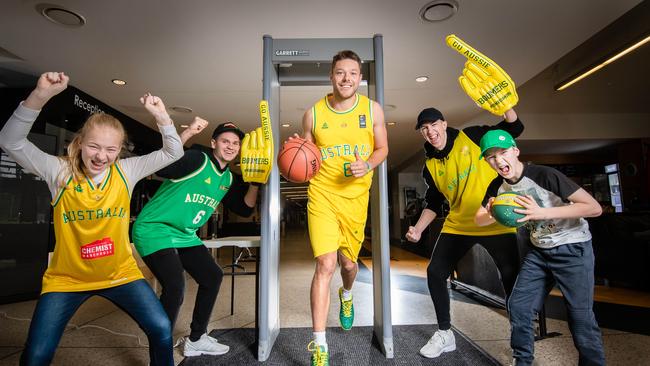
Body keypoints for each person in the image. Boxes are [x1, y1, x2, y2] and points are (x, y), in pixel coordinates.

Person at [0, 72, 184, 366]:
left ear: (119, 150)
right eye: (94, 147)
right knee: (36, 356)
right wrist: (40, 96)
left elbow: (173, 151)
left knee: (161, 328)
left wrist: (161, 115)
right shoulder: (58, 172)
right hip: (67, 280)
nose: (101, 156)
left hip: (121, 275)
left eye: (111, 149)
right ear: (80, 143)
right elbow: (9, 141)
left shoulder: (126, 171)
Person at [475, 130, 605, 366]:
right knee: (519, 306)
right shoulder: (497, 186)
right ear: (486, 161)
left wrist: (542, 212)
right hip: (539, 251)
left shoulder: (545, 174)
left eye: (503, 152)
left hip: (572, 248)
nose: (499, 161)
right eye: (491, 157)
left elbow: (594, 208)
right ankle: (522, 361)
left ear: (515, 151)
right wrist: (492, 212)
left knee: (580, 317)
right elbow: (478, 219)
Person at [132, 120, 261, 357]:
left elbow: (245, 209)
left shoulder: (228, 178)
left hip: (184, 235)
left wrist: (256, 182)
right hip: (154, 229)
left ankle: (196, 338)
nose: (231, 146)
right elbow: (163, 167)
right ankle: (160, 350)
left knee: (212, 275)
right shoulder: (197, 159)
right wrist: (188, 132)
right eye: (225, 141)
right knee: (175, 286)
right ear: (214, 143)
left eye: (235, 143)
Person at [293, 50, 388, 365]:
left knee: (349, 266)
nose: (346, 78)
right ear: (331, 76)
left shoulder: (372, 109)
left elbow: (382, 147)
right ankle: (319, 344)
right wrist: (295, 151)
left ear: (360, 77)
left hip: (356, 198)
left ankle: (346, 295)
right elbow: (305, 155)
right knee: (326, 264)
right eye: (340, 72)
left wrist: (369, 165)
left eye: (352, 73)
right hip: (321, 194)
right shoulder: (313, 114)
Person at [405, 107, 523, 358]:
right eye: (424, 129)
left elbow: (514, 129)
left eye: (434, 125)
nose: (430, 131)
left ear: (444, 124)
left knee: (511, 276)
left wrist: (507, 107)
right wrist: (417, 228)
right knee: (435, 272)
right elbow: (435, 203)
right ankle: (445, 334)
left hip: (494, 219)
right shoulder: (430, 165)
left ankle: (519, 335)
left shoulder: (472, 136)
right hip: (459, 223)